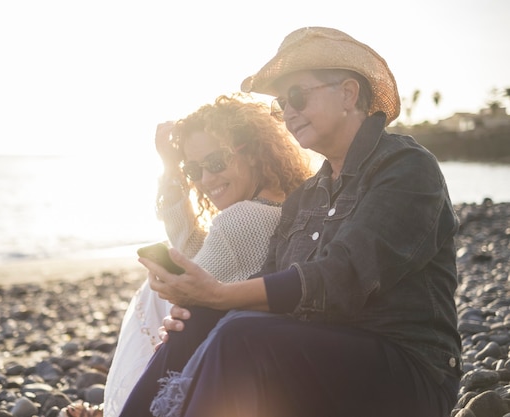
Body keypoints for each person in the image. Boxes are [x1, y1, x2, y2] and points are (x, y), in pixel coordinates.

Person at [137, 27, 462, 417]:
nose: (289, 112)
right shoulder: (306, 197)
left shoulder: (406, 168)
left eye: (296, 96)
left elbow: (344, 276)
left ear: (347, 93)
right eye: (281, 104)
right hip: (321, 355)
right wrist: (202, 310)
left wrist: (221, 296)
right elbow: (271, 283)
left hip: (408, 374)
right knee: (200, 323)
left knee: (239, 332)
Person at [60, 94, 312, 417]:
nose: (206, 180)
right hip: (256, 343)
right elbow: (193, 247)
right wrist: (172, 170)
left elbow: (188, 279)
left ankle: (121, 408)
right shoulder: (282, 203)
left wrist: (168, 284)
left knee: (152, 295)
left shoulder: (241, 219)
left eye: (217, 162)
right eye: (194, 169)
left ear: (251, 152)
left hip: (224, 348)